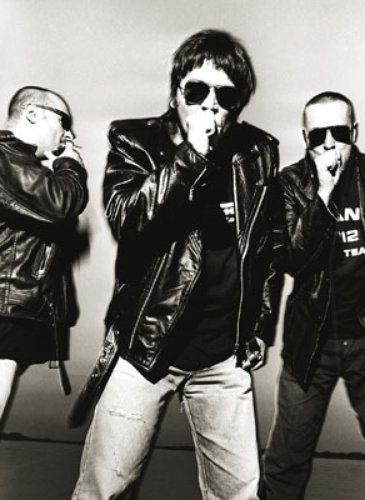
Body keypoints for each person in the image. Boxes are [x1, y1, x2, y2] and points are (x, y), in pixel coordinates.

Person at [70, 29, 282, 500]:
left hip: (222, 357)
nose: (210, 105)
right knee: (103, 490)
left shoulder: (258, 151)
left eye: (225, 96)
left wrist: (259, 327)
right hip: (146, 347)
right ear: (175, 94)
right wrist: (191, 157)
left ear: (238, 105)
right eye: (197, 90)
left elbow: (268, 247)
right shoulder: (135, 141)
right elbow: (129, 222)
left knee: (239, 494)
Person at [262, 91, 365, 500]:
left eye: (339, 132)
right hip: (311, 341)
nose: (329, 143)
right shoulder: (289, 185)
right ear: (305, 138)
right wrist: (323, 194)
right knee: (285, 462)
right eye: (319, 135)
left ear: (355, 132)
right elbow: (292, 259)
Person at [0, 86, 88, 427]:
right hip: (6, 308)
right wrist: (70, 164)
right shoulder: (6, 157)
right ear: (32, 113)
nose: (69, 133)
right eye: (63, 120)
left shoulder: (19, 165)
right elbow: (62, 204)